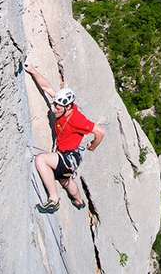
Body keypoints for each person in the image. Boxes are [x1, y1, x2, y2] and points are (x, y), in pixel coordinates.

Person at [24, 62, 105, 214]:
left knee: (41, 160)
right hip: (68, 158)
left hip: (69, 157)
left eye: (58, 108)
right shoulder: (63, 104)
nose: (54, 110)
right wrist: (33, 71)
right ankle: (79, 201)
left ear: (68, 107)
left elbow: (100, 132)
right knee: (65, 181)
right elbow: (47, 88)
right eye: (55, 106)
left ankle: (53, 200)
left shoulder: (77, 119)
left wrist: (93, 146)